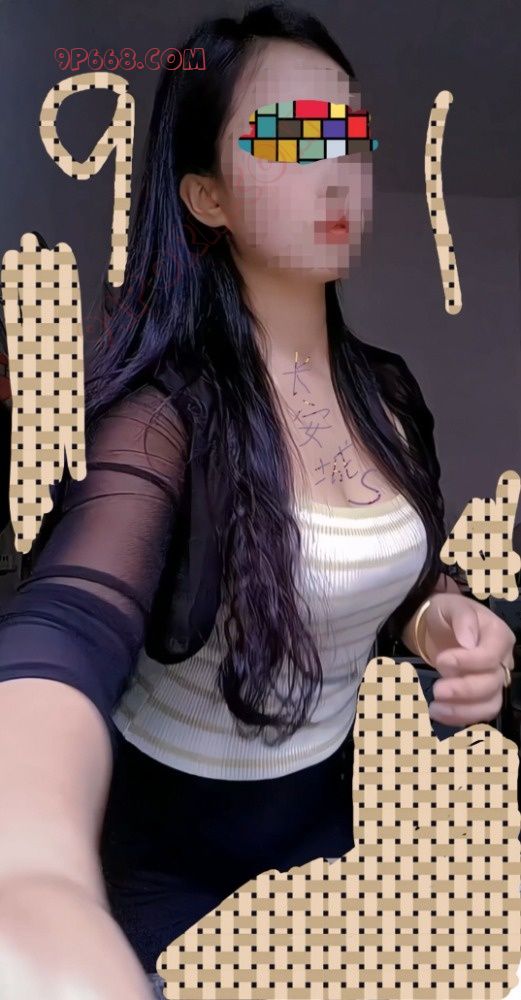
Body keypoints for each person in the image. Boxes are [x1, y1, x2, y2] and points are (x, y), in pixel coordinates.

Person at [0, 4, 515, 998]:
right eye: (287, 137)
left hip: (323, 819)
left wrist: (442, 616)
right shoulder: (163, 413)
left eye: (348, 134)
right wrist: (30, 871)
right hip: (162, 852)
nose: (335, 166)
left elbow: (397, 573)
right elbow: (69, 615)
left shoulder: (388, 392)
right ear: (206, 196)